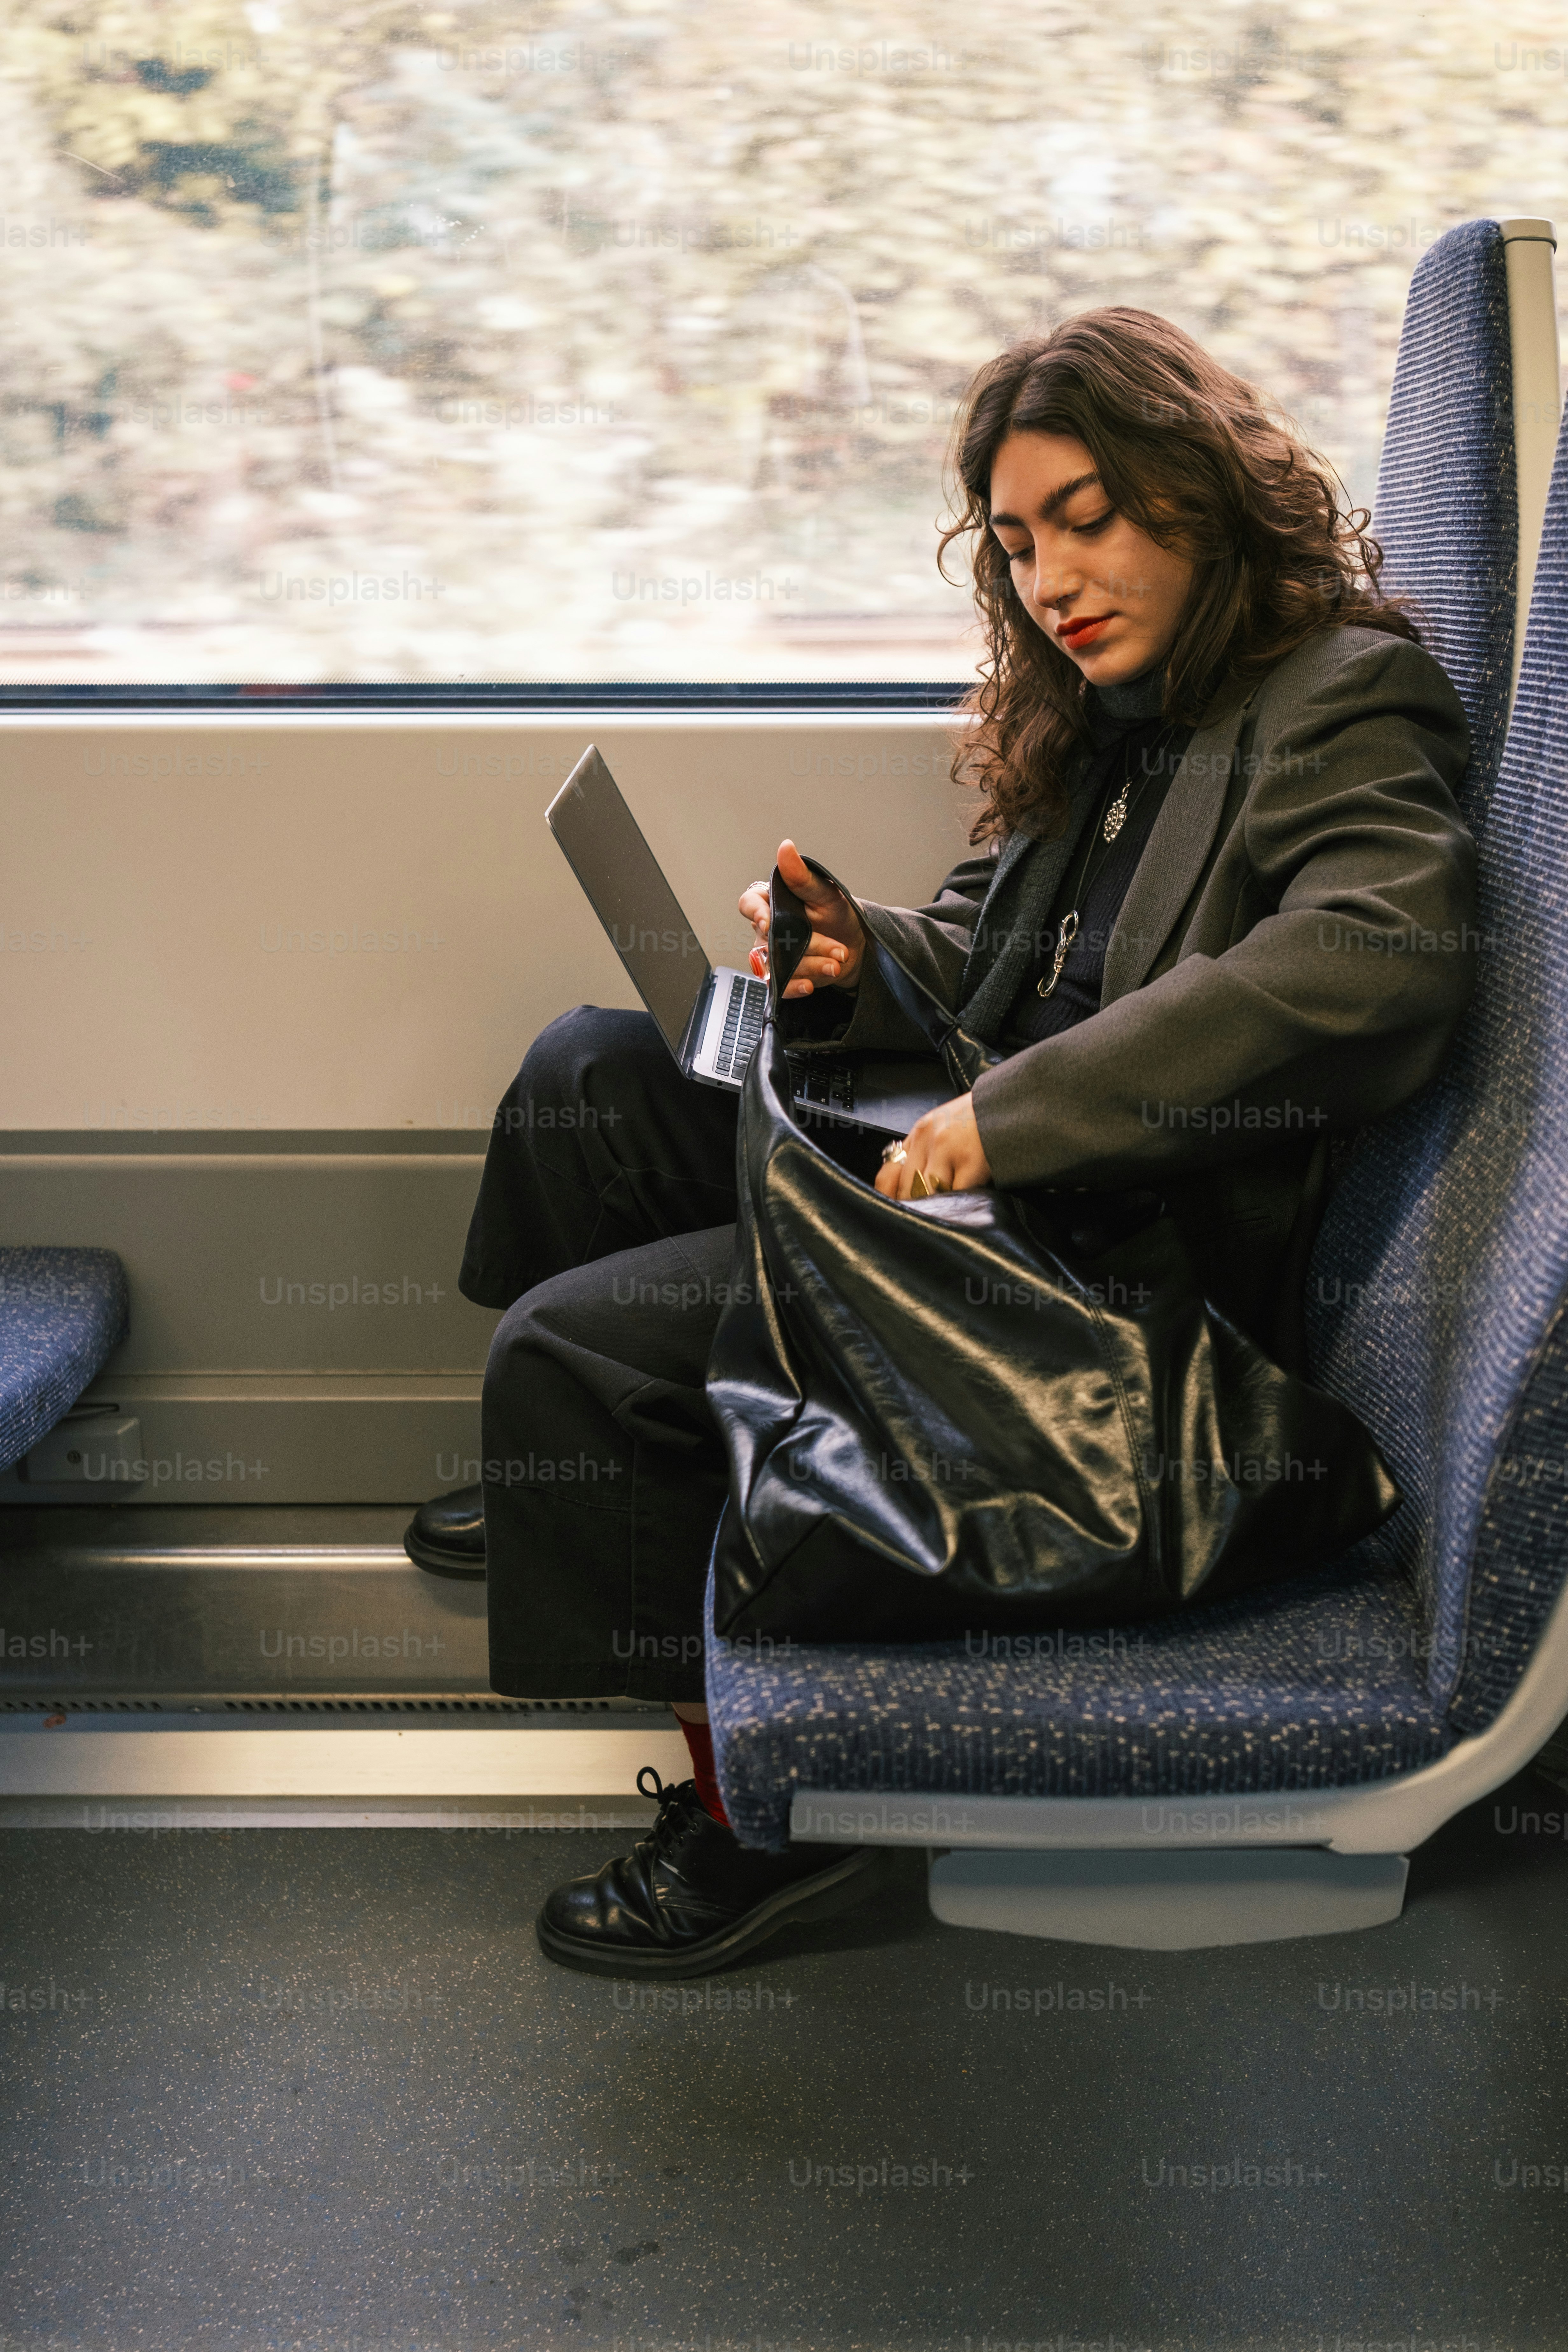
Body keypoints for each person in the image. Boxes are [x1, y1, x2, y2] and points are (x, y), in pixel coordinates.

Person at [404, 307, 1478, 1977]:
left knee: (581, 1356)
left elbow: (1377, 952)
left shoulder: (1338, 696)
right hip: (986, 1151)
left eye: (1087, 517)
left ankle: (754, 1817)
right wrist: (852, 948)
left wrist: (1005, 1120)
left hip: (1096, 1270)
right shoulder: (1112, 709)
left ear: (1192, 487)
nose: (1050, 575)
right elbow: (988, 951)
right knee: (592, 1076)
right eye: (1020, 539)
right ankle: (570, 1492)